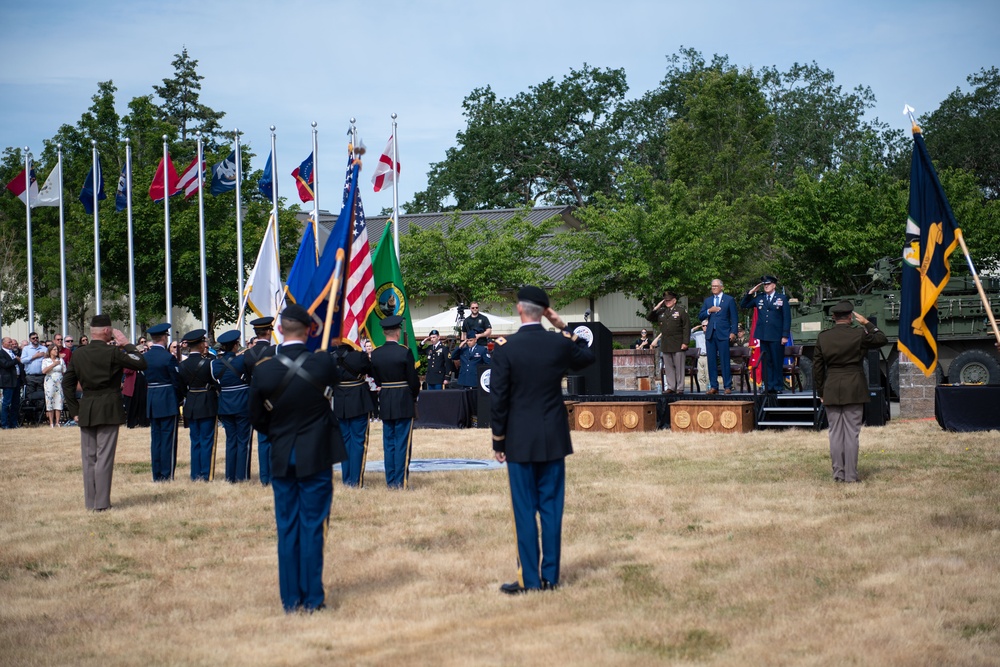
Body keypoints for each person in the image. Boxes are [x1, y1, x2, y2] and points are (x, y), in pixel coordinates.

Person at [491, 286, 595, 594]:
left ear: (520, 310)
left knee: (524, 510)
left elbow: (498, 399)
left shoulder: (506, 347)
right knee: (551, 509)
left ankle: (531, 581)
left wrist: (498, 440)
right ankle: (551, 577)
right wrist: (564, 327)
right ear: (544, 313)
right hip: (552, 437)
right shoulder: (557, 344)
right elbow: (588, 357)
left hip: (519, 440)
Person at [249, 304, 346, 612]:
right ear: (309, 331)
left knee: (287, 527)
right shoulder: (323, 364)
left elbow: (256, 418)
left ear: (279, 330)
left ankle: (291, 601)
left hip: (281, 455)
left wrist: (277, 434)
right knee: (312, 527)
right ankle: (313, 598)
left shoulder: (264, 369)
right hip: (316, 456)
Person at [61, 314, 147, 511]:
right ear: (107, 331)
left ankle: (90, 502)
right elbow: (141, 363)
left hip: (87, 408)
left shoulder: (79, 353)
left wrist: (74, 410)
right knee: (104, 458)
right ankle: (102, 503)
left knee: (89, 458)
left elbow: (67, 384)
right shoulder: (113, 352)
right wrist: (126, 344)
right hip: (108, 407)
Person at [813, 301, 887, 483]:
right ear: (850, 317)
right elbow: (882, 339)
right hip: (854, 387)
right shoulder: (858, 334)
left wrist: (822, 391)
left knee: (835, 433)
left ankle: (838, 474)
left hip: (831, 387)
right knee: (852, 434)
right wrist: (867, 323)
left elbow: (817, 368)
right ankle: (851, 476)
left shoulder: (823, 337)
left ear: (833, 318)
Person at [370, 315, 421, 489]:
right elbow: (413, 381)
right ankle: (400, 482)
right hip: (403, 398)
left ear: (385, 332)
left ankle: (390, 480)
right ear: (398, 332)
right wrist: (413, 395)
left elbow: (377, 380)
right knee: (402, 443)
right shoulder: (404, 352)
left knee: (389, 442)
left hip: (386, 398)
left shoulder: (376, 354)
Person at [144, 323, 184, 482]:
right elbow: (176, 381)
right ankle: (167, 475)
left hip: (153, 399)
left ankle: (157, 474)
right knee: (168, 440)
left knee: (156, 440)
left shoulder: (145, 357)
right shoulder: (168, 358)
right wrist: (180, 398)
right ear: (163, 337)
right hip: (167, 399)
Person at [331, 344, 375, 487]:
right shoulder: (359, 356)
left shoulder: (330, 358)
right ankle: (356, 481)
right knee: (358, 442)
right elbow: (370, 370)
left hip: (340, 402)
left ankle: (347, 480)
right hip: (358, 401)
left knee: (345, 442)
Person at [179, 329, 220, 482]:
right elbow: (216, 383)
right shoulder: (209, 364)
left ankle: (195, 474)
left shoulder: (182, 365)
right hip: (206, 403)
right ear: (202, 344)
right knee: (206, 440)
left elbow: (181, 387)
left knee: (195, 440)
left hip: (191, 402)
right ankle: (205, 473)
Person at [740, 275, 792, 393]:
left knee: (776, 361)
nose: (766, 286)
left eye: (768, 284)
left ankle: (778, 386)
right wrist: (751, 292)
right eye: (764, 285)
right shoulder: (759, 298)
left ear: (774, 285)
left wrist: (785, 335)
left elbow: (787, 318)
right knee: (766, 361)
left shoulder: (781, 298)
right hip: (763, 335)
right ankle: (768, 386)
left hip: (777, 335)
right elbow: (744, 305)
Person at [213, 330, 252, 483]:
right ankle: (241, 476)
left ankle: (230, 476)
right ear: (236, 345)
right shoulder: (242, 361)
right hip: (242, 404)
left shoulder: (215, 364)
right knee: (243, 441)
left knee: (231, 441)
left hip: (225, 405)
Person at [243, 316, 277, 485]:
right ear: (269, 332)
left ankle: (265, 477)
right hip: (273, 397)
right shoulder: (274, 351)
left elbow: (248, 377)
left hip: (256, 397)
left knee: (262, 440)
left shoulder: (247, 354)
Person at [698, 278, 738, 394]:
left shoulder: (729, 300)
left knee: (725, 360)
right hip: (711, 334)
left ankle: (727, 386)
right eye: (712, 286)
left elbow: (734, 318)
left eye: (716, 286)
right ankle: (714, 386)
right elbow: (700, 316)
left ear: (721, 287)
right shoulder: (708, 301)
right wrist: (709, 311)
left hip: (724, 333)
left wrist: (733, 332)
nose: (713, 288)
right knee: (711, 361)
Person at [649, 291, 691, 394]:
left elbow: (686, 327)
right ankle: (671, 387)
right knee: (668, 367)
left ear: (674, 300)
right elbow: (650, 317)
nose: (667, 302)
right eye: (665, 301)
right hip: (666, 343)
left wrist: (685, 342)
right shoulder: (662, 311)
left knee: (679, 367)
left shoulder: (681, 311)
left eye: (669, 300)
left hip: (678, 342)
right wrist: (657, 307)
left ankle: (680, 388)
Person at [1, 337, 26, 429]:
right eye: (9, 342)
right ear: (3, 343)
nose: (11, 343)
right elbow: (5, 364)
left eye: (12, 342)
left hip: (17, 380)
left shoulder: (13, 352)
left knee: (16, 403)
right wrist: (16, 360)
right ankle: (4, 424)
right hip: (8, 382)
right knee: (6, 403)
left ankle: (14, 423)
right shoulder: (1, 353)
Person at [42, 344, 66, 427]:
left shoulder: (61, 360)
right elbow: (44, 371)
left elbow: (64, 370)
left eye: (57, 349)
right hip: (49, 382)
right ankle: (51, 422)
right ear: (50, 351)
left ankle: (57, 422)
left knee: (59, 400)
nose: (56, 351)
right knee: (50, 400)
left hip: (59, 382)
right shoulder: (45, 360)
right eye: (54, 349)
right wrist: (54, 364)